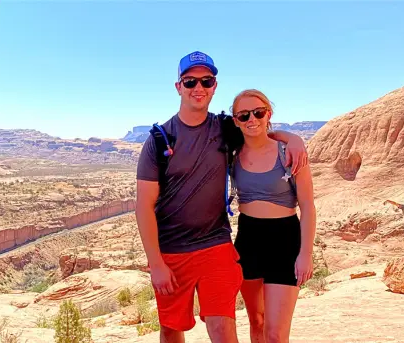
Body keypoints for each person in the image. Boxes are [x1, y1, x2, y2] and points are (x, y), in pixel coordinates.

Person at [135, 51, 309, 343]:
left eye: (206, 80)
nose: (198, 88)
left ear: (215, 86)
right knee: (171, 329)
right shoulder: (158, 140)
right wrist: (156, 263)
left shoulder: (225, 127)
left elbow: (257, 129)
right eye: (190, 82)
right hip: (172, 249)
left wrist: (293, 138)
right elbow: (143, 206)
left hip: (217, 245)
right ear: (179, 87)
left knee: (222, 328)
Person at [230, 89, 316, 343]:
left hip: (285, 240)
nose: (252, 119)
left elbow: (308, 206)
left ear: (269, 114)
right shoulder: (232, 155)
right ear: (235, 120)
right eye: (244, 115)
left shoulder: (289, 153)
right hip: (248, 239)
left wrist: (305, 254)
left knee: (276, 335)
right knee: (256, 321)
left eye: (259, 112)